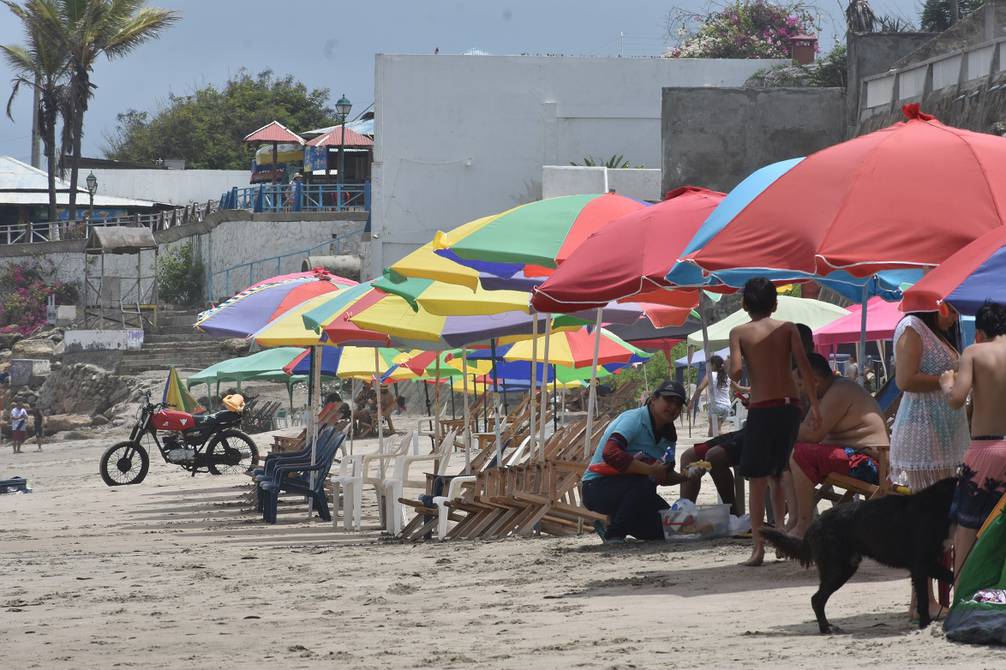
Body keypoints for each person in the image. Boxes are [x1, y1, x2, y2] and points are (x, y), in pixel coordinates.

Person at [729, 278, 820, 566]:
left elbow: (735, 370)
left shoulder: (739, 332)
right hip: (791, 407)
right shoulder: (788, 328)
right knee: (779, 474)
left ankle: (758, 547)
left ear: (745, 305)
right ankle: (780, 534)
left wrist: (737, 373)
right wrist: (815, 407)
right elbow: (804, 366)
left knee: (757, 479)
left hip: (763, 407)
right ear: (775, 303)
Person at [891, 305, 969, 619]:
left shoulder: (937, 333)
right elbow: (905, 379)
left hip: (941, 433)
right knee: (928, 523)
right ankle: (919, 601)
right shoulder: (912, 326)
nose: (954, 316)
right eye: (951, 309)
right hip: (923, 433)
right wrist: (946, 379)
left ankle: (933, 599)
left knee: (939, 524)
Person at [582, 380, 698, 543]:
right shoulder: (634, 418)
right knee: (643, 482)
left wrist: (686, 476)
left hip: (636, 493)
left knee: (670, 529)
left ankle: (619, 520)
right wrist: (650, 470)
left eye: (678, 404)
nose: (673, 407)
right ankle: (614, 535)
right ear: (654, 399)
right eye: (668, 400)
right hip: (597, 488)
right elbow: (611, 453)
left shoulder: (669, 434)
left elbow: (663, 475)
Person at [788, 353, 890, 537]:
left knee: (798, 454)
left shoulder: (840, 390)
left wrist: (779, 429)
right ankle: (794, 521)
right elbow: (805, 430)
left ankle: (803, 524)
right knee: (790, 454)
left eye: (801, 385)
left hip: (870, 463)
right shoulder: (828, 391)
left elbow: (810, 434)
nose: (799, 391)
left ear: (815, 381)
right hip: (858, 457)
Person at [939, 301, 1006, 576]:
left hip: (985, 449)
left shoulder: (975, 352)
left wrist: (946, 383)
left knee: (967, 525)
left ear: (979, 332)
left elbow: (956, 399)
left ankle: (962, 597)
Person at [690, 354, 734, 436]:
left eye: (709, 364)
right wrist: (750, 389)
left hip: (716, 406)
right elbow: (739, 388)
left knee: (715, 432)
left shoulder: (710, 375)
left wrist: (691, 402)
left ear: (713, 365)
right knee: (711, 433)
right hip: (726, 406)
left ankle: (731, 437)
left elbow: (699, 389)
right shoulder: (726, 377)